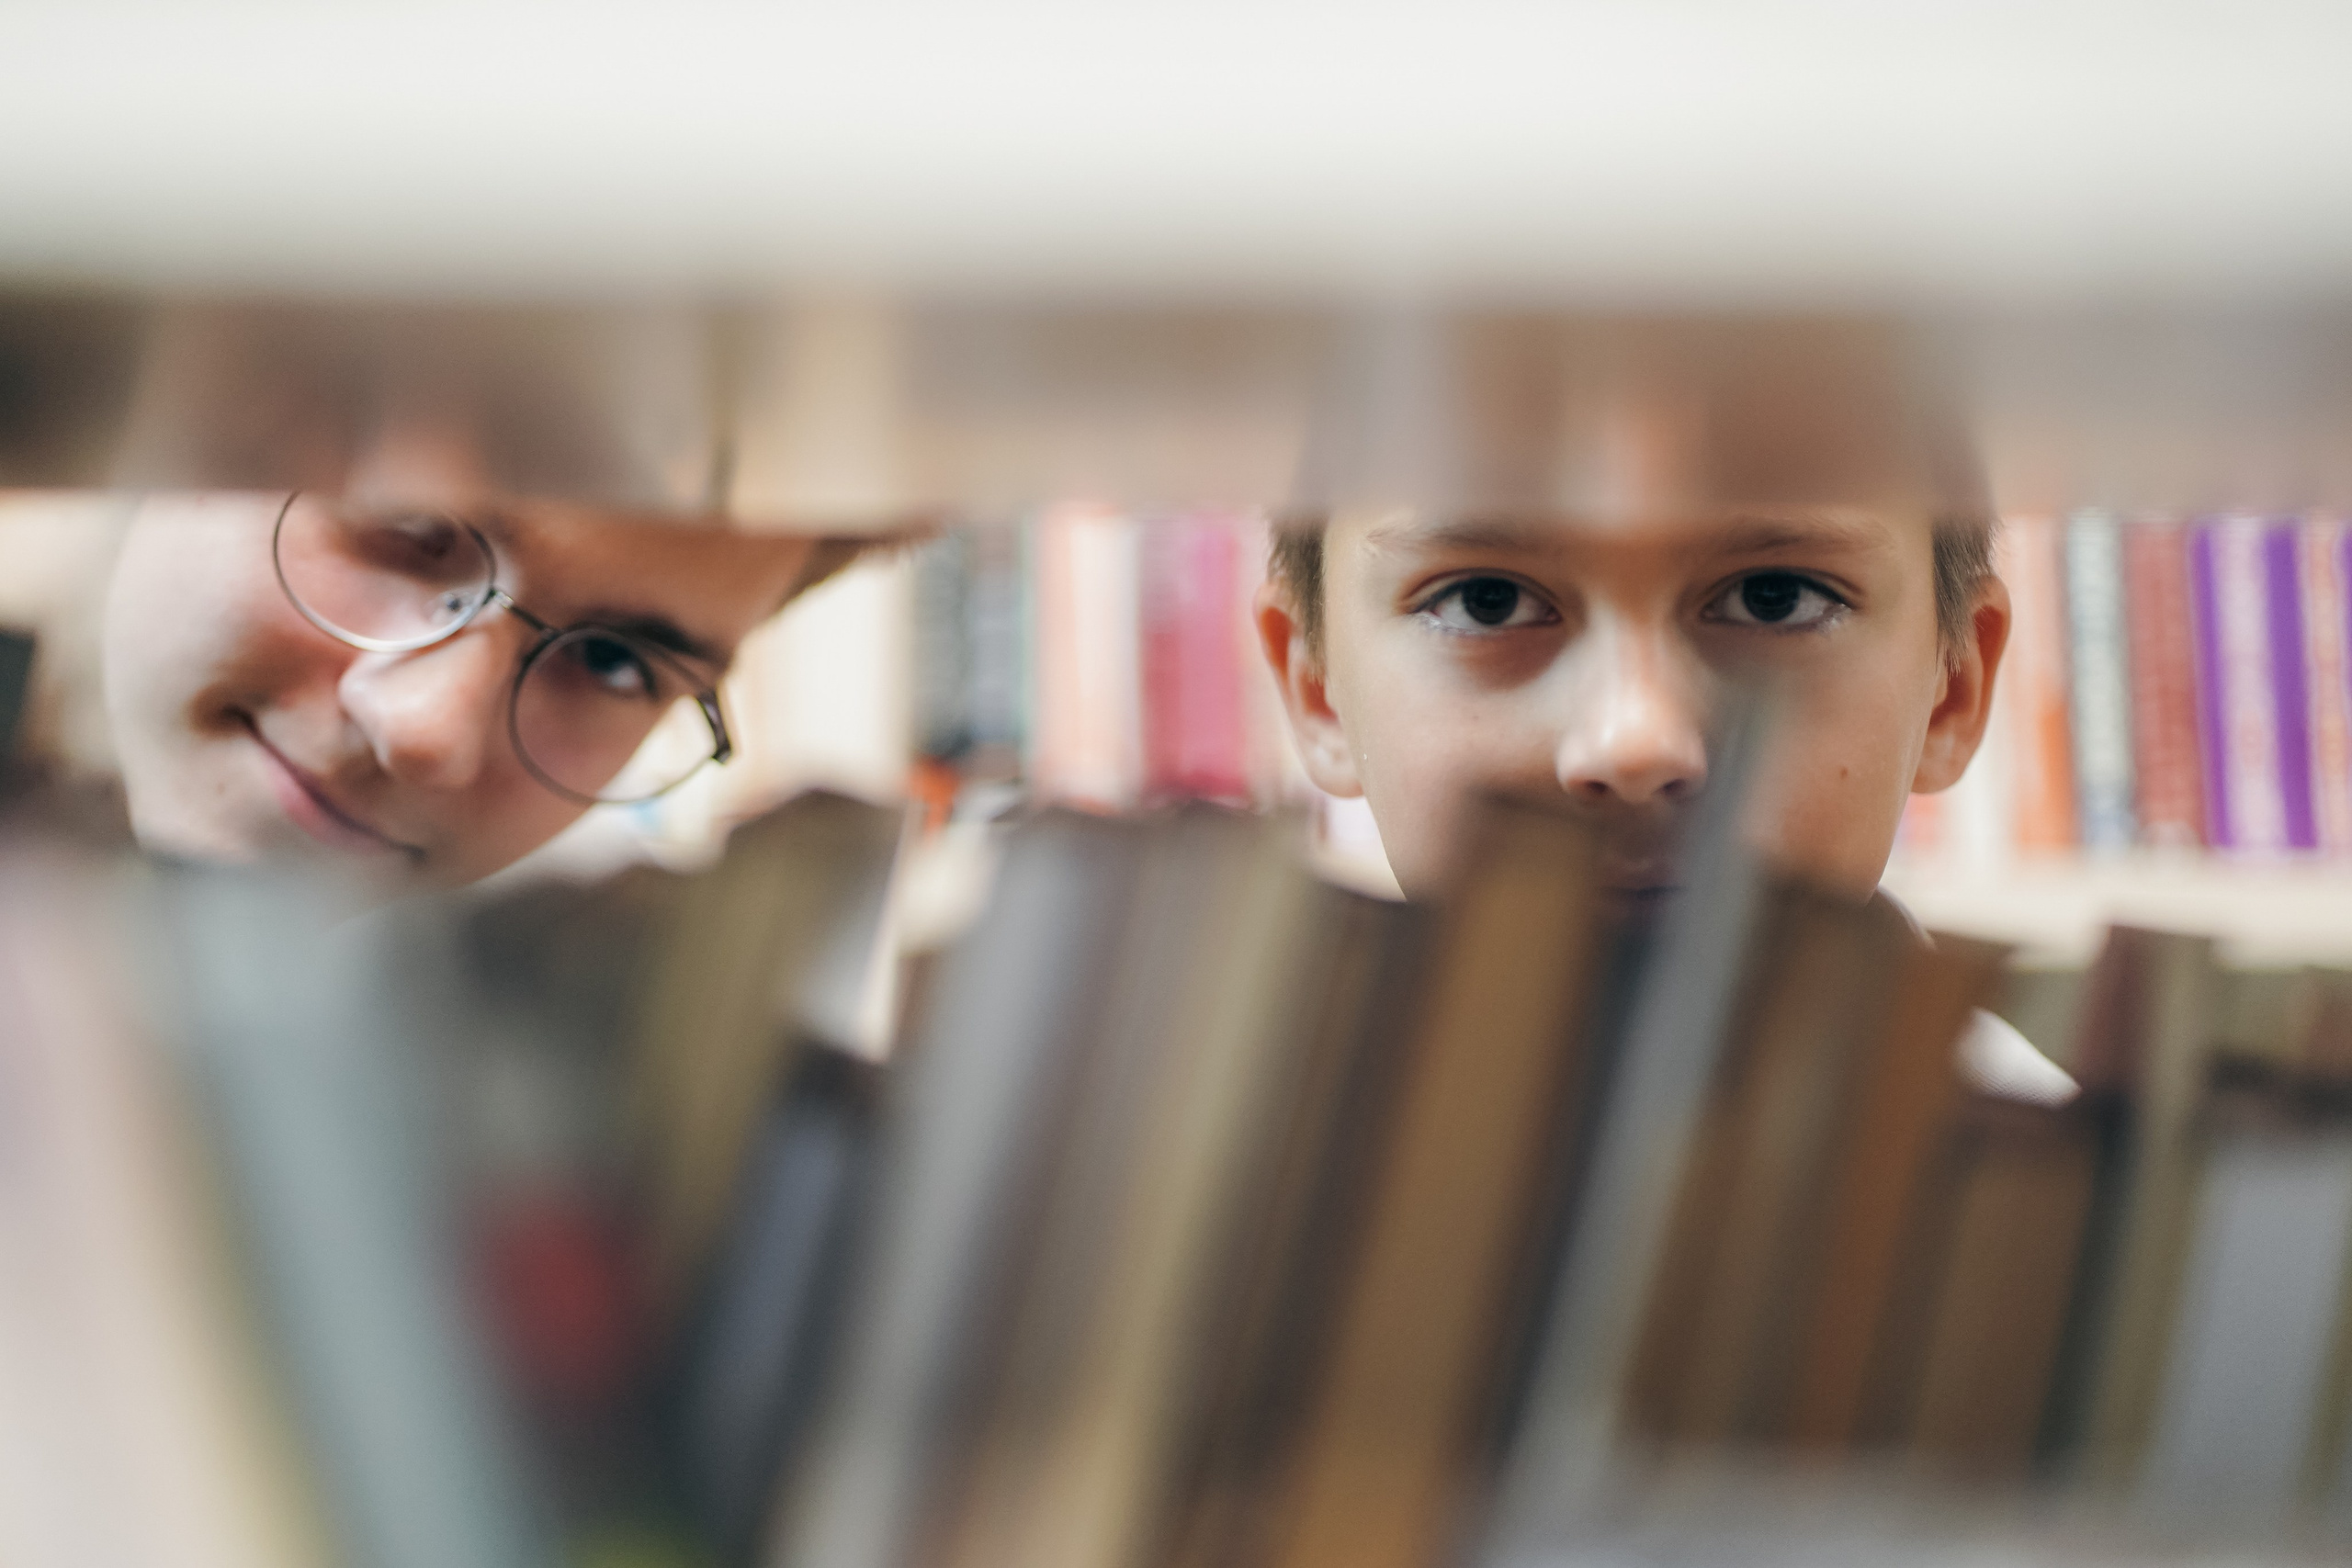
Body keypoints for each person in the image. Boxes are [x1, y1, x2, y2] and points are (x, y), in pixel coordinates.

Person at [1253, 321, 2075, 1100]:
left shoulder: (2081, 1196)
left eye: (1773, 598)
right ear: (1317, 692)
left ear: (1953, 690)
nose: (1636, 741)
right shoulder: (1221, 1179)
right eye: (1486, 600)